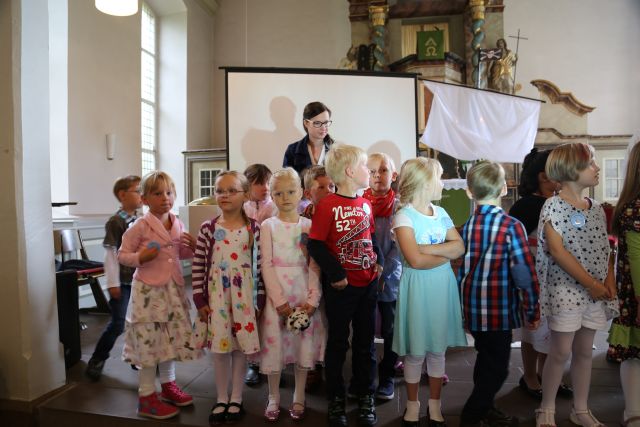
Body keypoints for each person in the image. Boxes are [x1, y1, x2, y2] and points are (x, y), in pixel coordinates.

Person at [534, 143, 618, 427]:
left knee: (585, 350)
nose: (596, 168)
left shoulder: (594, 209)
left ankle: (580, 408)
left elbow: (603, 249)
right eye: (590, 163)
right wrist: (591, 283)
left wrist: (608, 280)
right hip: (565, 289)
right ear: (571, 171)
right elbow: (558, 252)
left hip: (593, 291)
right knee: (560, 350)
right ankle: (546, 408)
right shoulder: (553, 205)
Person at [458, 161, 540, 427]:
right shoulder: (511, 226)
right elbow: (523, 273)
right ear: (504, 188)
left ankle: (486, 408)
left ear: (469, 192)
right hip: (498, 311)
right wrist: (532, 309)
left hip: (472, 308)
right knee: (498, 368)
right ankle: (471, 414)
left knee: (485, 360)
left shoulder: (468, 225)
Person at [307, 144, 383, 427]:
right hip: (342, 288)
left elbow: (370, 235)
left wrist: (378, 258)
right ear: (351, 172)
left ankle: (366, 393)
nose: (370, 172)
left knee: (366, 343)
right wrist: (336, 274)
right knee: (339, 342)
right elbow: (315, 244)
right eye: (366, 167)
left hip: (367, 285)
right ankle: (336, 397)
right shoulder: (327, 205)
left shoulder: (365, 203)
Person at [118, 171, 201, 420]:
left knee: (169, 339)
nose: (165, 198)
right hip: (148, 292)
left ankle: (168, 385)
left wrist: (193, 247)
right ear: (144, 199)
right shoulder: (140, 226)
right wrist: (140, 258)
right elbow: (122, 255)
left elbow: (179, 254)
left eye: (169, 192)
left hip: (172, 290)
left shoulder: (177, 222)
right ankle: (146, 396)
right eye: (157, 193)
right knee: (150, 342)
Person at [392, 158, 467, 427]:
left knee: (437, 350)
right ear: (424, 182)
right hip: (418, 289)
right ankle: (413, 405)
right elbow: (415, 261)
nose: (442, 183)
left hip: (441, 287)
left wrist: (426, 249)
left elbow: (459, 247)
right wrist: (443, 253)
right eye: (438, 177)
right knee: (415, 351)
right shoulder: (404, 216)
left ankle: (435, 404)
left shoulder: (441, 212)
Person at [192, 171, 265, 425]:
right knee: (220, 349)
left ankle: (236, 398)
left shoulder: (254, 229)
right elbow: (199, 264)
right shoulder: (208, 228)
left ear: (245, 194)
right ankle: (221, 398)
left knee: (239, 349)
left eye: (231, 190)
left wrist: (260, 301)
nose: (224, 195)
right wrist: (200, 300)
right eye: (219, 190)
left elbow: (259, 268)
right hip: (217, 298)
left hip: (244, 299)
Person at [259, 167, 327, 422]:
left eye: (290, 191)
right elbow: (266, 264)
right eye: (278, 193)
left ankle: (299, 395)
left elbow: (314, 264)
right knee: (275, 347)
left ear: (301, 192)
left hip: (302, 292)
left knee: (302, 347)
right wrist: (279, 302)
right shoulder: (268, 226)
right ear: (272, 196)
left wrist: (312, 300)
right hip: (280, 297)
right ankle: (273, 396)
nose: (285, 197)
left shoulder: (309, 225)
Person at [509, 148, 573, 400]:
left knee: (554, 331)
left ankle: (550, 376)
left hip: (559, 279)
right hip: (533, 279)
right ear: (544, 176)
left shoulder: (560, 202)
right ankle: (530, 376)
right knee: (532, 330)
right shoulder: (526, 206)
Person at [85, 175, 142, 381]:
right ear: (123, 194)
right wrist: (112, 283)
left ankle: (137, 357)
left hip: (140, 280)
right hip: (122, 282)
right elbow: (110, 254)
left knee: (139, 321)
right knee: (118, 324)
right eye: (138, 190)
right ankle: (97, 359)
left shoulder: (140, 219)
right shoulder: (116, 222)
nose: (141, 194)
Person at [362, 153, 402, 401]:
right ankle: (366, 377)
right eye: (373, 171)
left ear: (393, 175)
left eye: (383, 171)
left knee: (390, 329)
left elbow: (398, 247)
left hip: (389, 277)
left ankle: (387, 375)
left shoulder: (398, 206)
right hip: (364, 276)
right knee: (365, 330)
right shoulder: (359, 203)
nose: (377, 176)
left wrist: (382, 270)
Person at [608, 140, 640, 427]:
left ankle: (633, 411)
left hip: (633, 296)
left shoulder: (628, 207)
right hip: (638, 295)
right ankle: (633, 412)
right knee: (633, 355)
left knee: (633, 355)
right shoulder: (635, 210)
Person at [242, 163, 277, 385]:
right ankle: (253, 363)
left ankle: (273, 362)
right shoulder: (242, 207)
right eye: (258, 183)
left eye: (267, 182)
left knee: (270, 317)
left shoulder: (274, 207)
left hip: (271, 267)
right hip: (247, 270)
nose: (264, 187)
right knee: (252, 314)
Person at [283, 102, 335, 174]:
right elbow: (287, 181)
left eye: (326, 123)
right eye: (317, 123)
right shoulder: (292, 150)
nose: (323, 128)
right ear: (306, 123)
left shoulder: (337, 150)